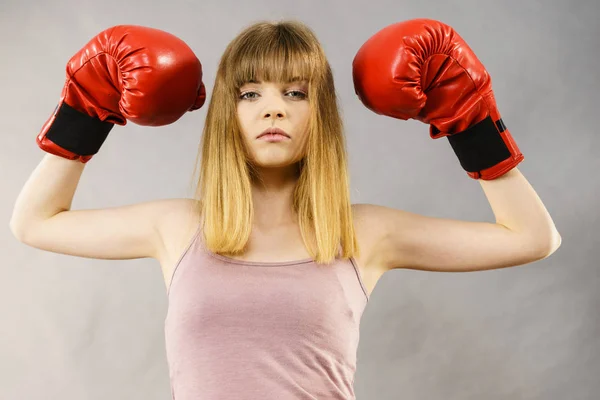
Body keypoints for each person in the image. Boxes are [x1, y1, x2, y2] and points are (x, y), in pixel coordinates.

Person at [10, 18, 561, 400]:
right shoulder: (178, 228)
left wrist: (471, 118)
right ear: (227, 113)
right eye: (250, 93)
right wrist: (85, 110)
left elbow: (532, 237)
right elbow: (35, 222)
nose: (273, 108)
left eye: (295, 93)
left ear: (319, 114)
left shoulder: (362, 233)